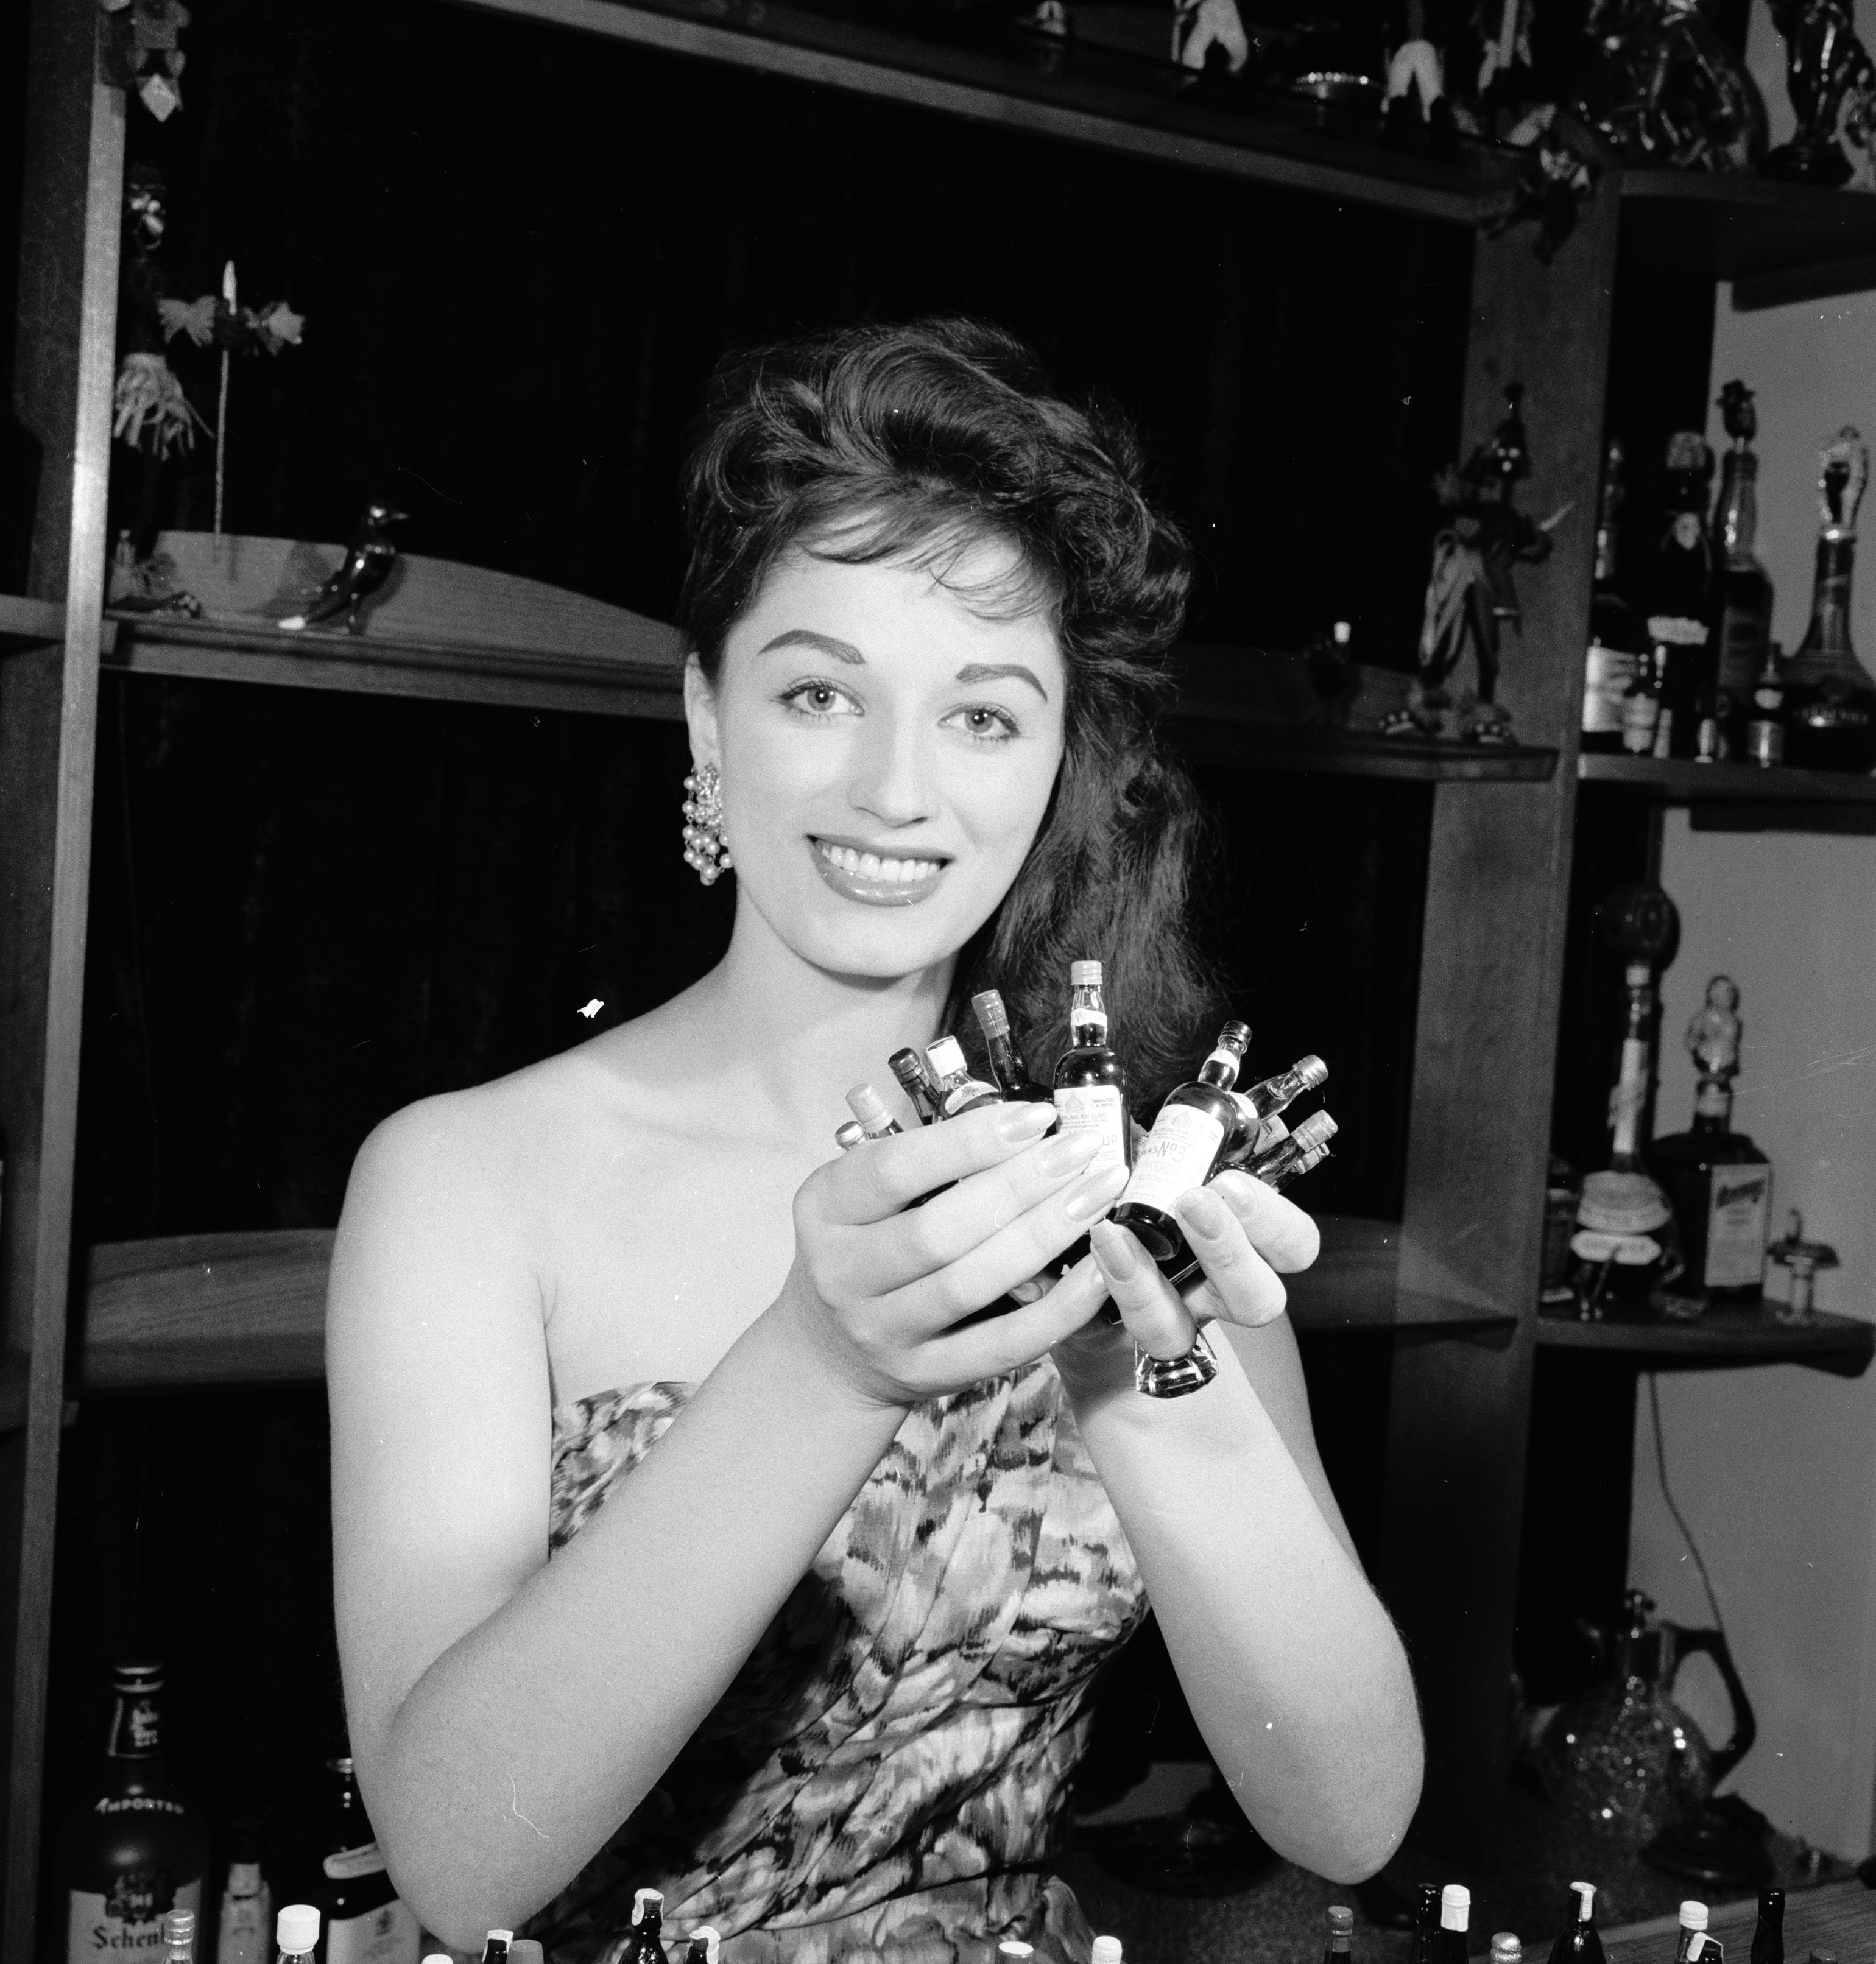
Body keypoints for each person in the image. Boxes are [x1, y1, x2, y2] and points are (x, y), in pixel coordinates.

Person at [328, 318, 1423, 1964]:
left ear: (1056, 759)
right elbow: (456, 1857)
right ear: (705, 716)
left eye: (981, 715)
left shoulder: (1137, 1177)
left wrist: (1147, 1375)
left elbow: (1344, 1815)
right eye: (820, 690)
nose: (896, 787)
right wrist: (822, 1362)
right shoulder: (464, 1181)